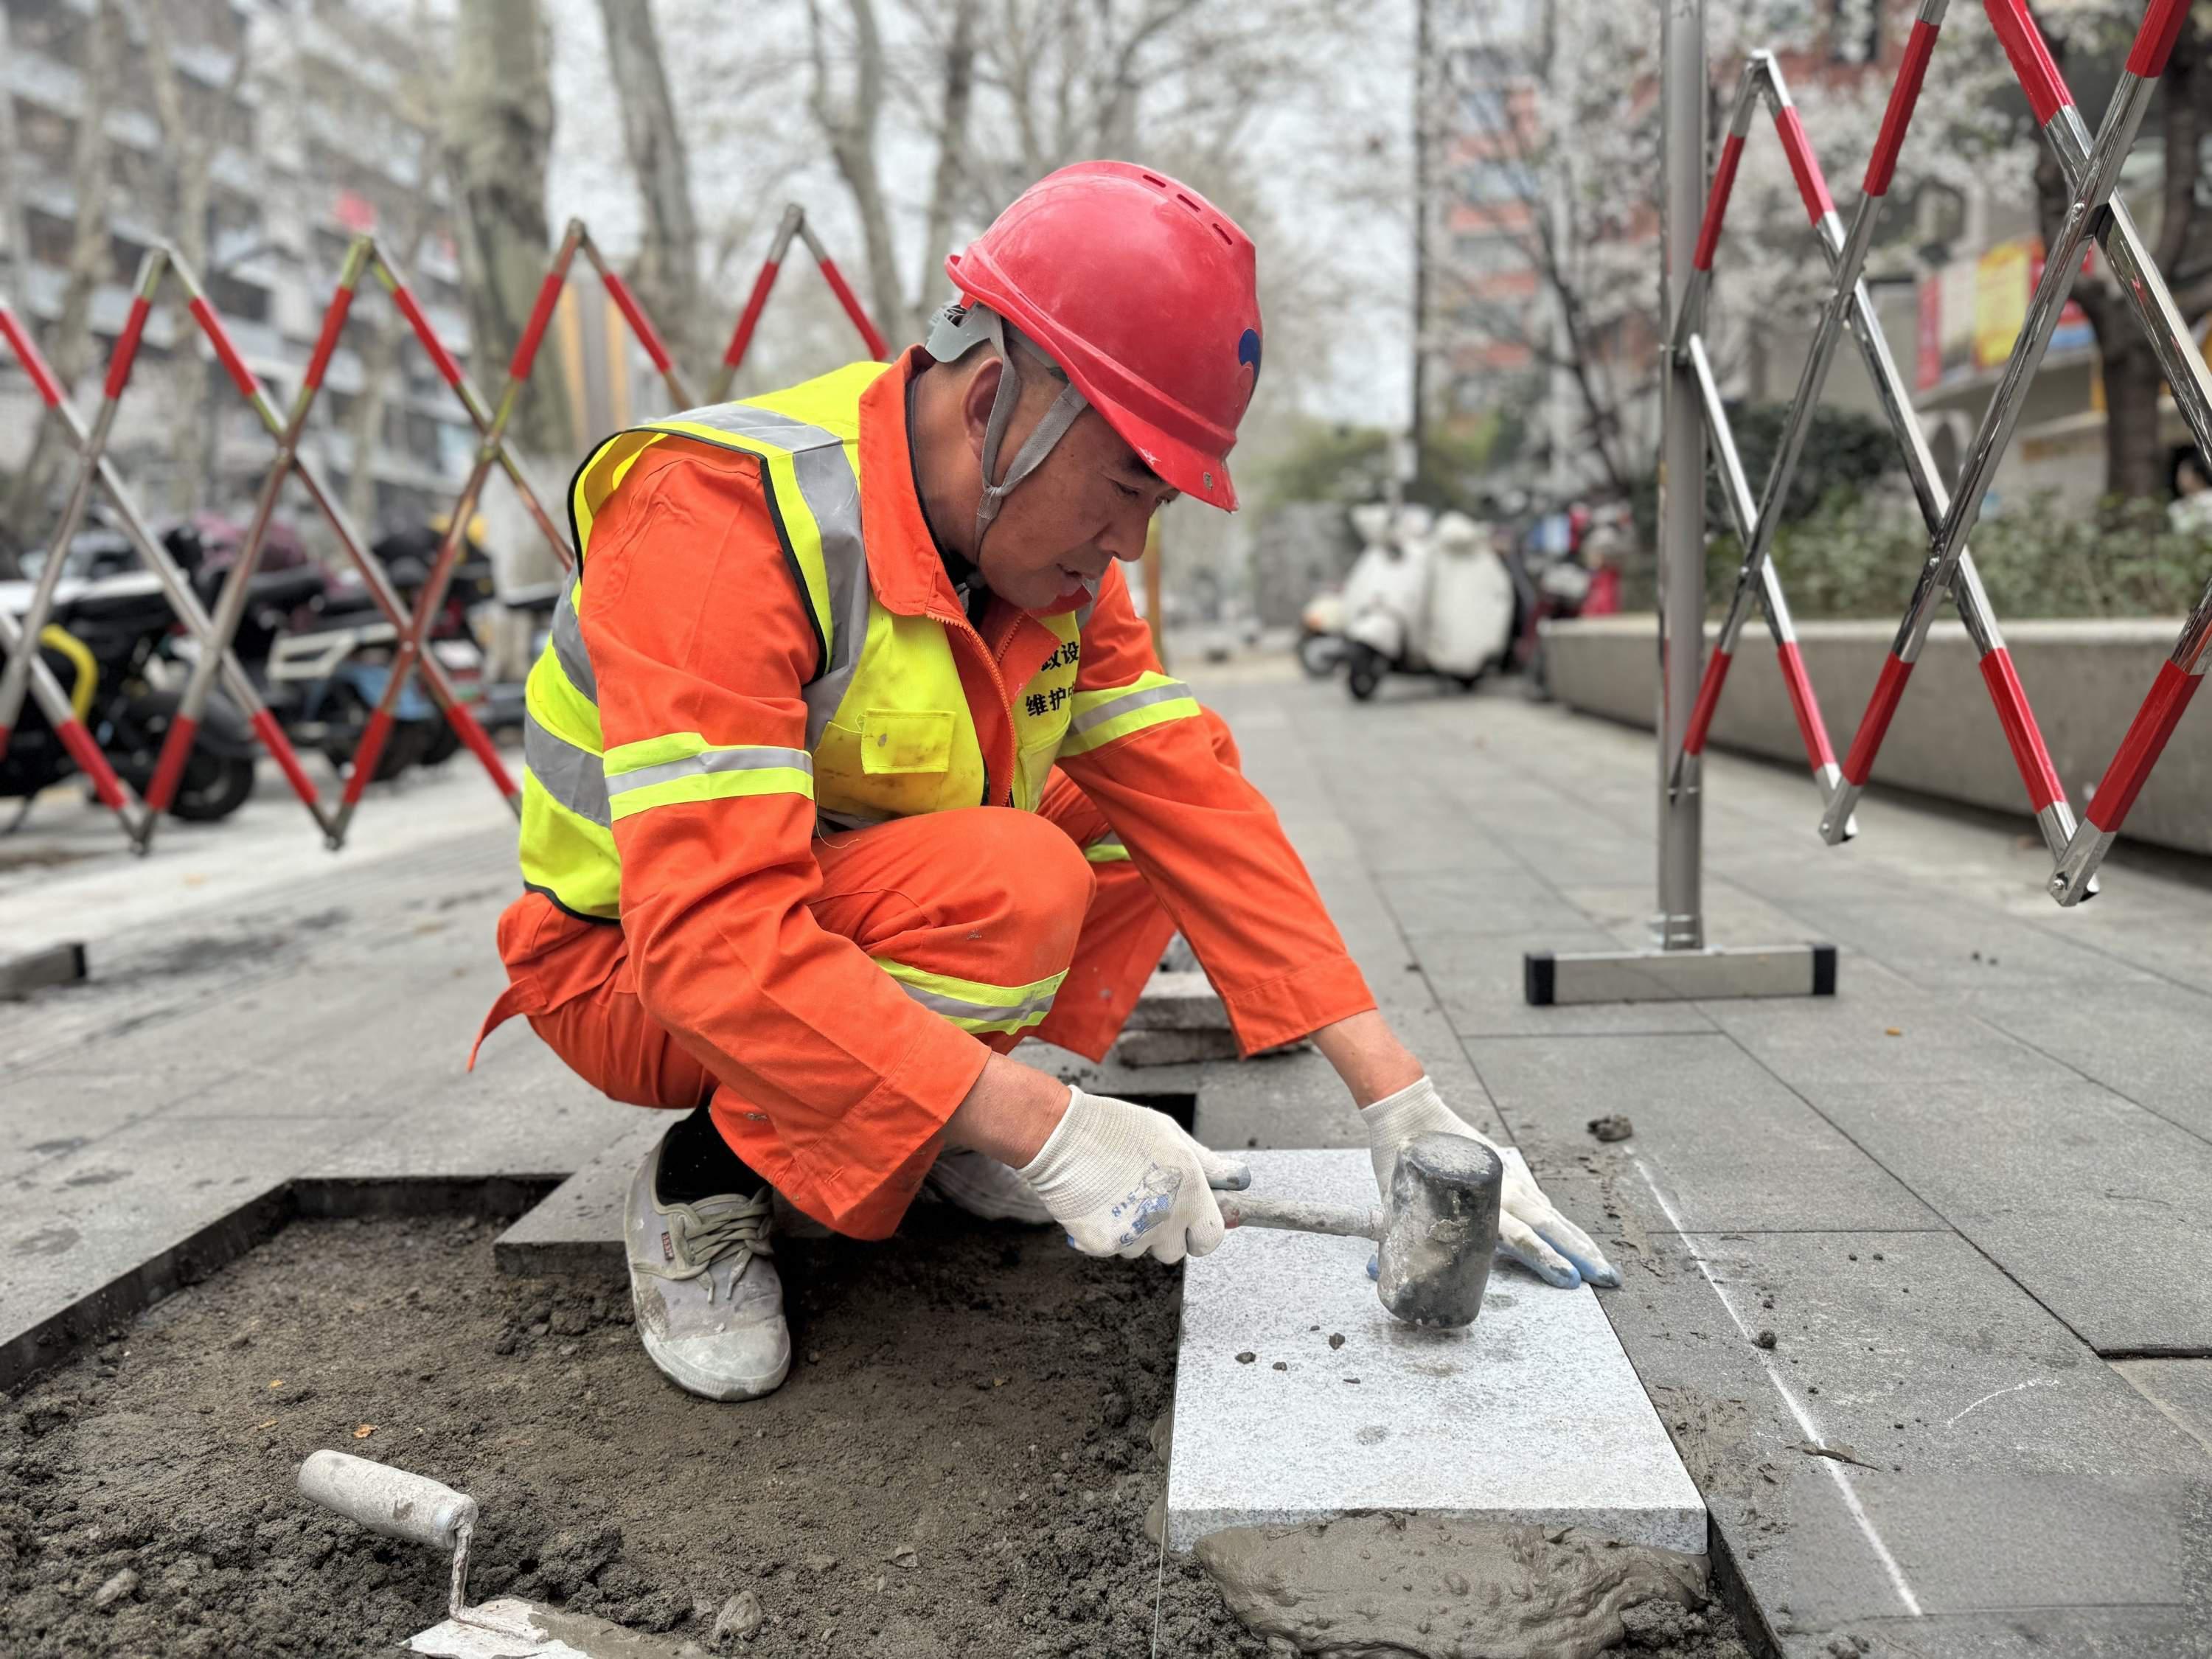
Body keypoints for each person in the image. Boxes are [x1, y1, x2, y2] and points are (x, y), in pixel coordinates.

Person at [472, 162, 1616, 1403]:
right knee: (1014, 885)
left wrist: (1405, 1102)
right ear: (992, 402)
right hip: (629, 971)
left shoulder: (1037, 559)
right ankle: (704, 1180)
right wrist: (1048, 1131)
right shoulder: (718, 520)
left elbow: (1194, 803)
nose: (1132, 540)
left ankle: (957, 1127)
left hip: (825, 916)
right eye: (1128, 480)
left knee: (1140, 815)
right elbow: (712, 946)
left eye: (1161, 498)